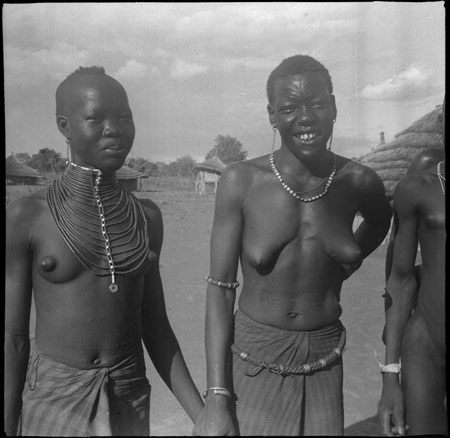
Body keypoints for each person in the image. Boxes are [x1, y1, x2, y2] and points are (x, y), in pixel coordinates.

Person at [193, 54, 392, 436]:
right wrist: (217, 394)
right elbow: (220, 291)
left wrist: (347, 261)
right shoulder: (242, 181)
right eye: (289, 108)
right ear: (272, 115)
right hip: (255, 359)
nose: (305, 117)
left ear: (333, 107)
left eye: (316, 104)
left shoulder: (359, 181)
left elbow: (381, 220)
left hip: (325, 357)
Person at [4, 66, 203, 436]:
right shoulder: (28, 215)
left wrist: (202, 414)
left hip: (128, 390)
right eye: (96, 118)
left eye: (124, 116)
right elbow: (14, 336)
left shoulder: (145, 217)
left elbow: (155, 326)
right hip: (53, 395)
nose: (115, 128)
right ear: (64, 126)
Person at [378, 100, 446, 436]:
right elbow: (400, 278)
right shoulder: (418, 188)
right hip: (426, 344)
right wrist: (390, 374)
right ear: (441, 122)